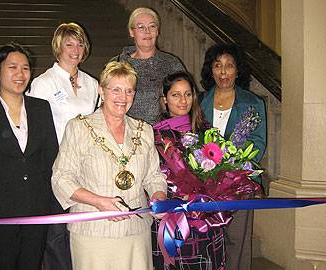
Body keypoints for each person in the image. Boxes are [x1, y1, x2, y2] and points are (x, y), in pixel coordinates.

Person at [51, 61, 167, 270]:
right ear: (101, 91)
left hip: (136, 231)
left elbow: (154, 177)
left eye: (129, 91)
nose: (123, 98)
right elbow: (61, 178)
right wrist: (99, 202)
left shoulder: (144, 130)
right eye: (116, 90)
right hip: (93, 231)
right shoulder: (78, 128)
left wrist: (159, 195)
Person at [0, 42, 58, 270]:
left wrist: (53, 205)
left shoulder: (41, 108)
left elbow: (51, 158)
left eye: (25, 68)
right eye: (13, 67)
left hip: (37, 209)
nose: (20, 74)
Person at [26, 22, 99, 270]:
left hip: (87, 166)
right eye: (69, 43)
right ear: (58, 46)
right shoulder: (43, 83)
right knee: (56, 234)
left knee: (81, 229)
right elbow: (33, 130)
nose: (75, 49)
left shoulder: (92, 83)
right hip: (55, 165)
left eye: (80, 43)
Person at [199, 43, 267, 270]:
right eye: (218, 66)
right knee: (207, 239)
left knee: (237, 240)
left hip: (239, 182)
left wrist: (229, 166)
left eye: (229, 66)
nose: (224, 72)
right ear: (211, 70)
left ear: (238, 70)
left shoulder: (252, 103)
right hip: (203, 184)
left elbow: (257, 144)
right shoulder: (199, 102)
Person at [152, 71, 226, 270]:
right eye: (175, 95)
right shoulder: (157, 135)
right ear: (165, 100)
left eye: (187, 94)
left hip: (206, 218)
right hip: (175, 218)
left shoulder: (206, 130)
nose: (183, 101)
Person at [112, 7, 185, 125]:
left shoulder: (172, 64)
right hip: (125, 132)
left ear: (157, 31)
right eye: (140, 27)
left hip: (165, 134)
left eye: (152, 26)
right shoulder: (117, 63)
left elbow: (186, 100)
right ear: (131, 32)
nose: (147, 31)